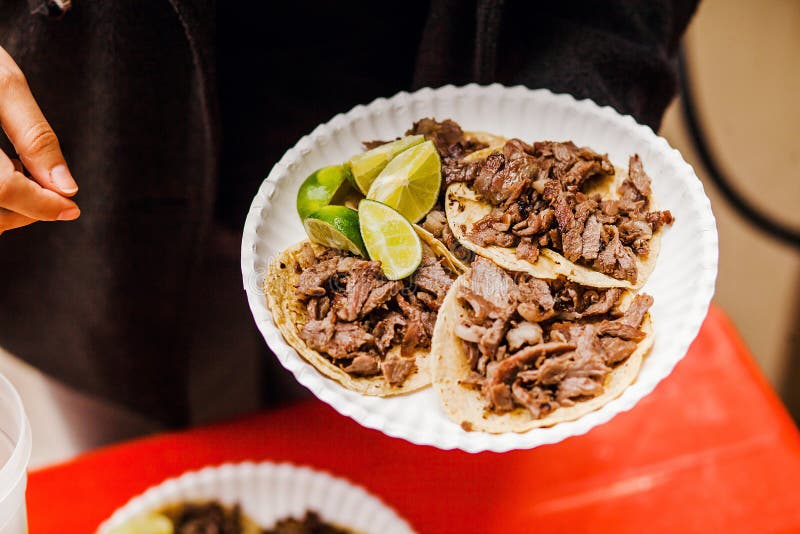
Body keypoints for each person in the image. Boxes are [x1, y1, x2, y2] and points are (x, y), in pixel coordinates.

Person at [0, 0, 698, 426]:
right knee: (144, 467)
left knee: (403, 479)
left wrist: (567, 115)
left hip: (453, 130)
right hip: (97, 190)